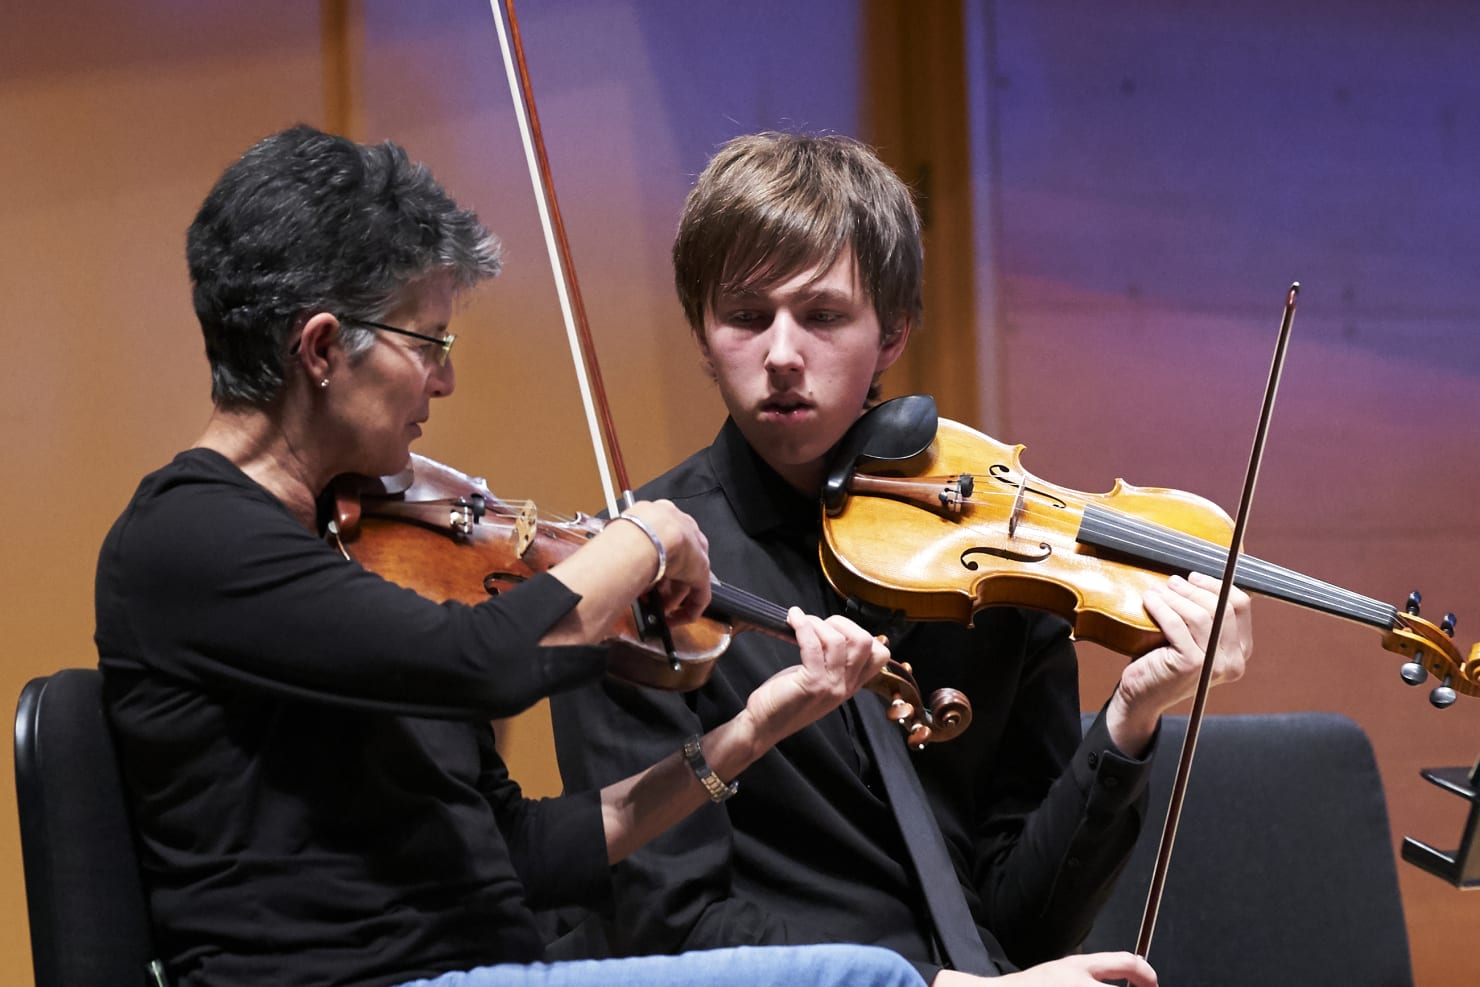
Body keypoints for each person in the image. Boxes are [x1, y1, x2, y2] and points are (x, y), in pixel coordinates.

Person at [95, 124, 933, 987]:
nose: (444, 380)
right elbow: (483, 662)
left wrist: (750, 731)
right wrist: (644, 535)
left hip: (485, 965)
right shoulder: (189, 539)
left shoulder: (349, 543)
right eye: (428, 343)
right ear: (319, 349)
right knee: (860, 981)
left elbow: (524, 850)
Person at [550, 132, 1253, 986]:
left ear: (892, 333)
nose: (779, 352)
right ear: (702, 332)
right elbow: (671, 924)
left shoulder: (988, 568)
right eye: (744, 315)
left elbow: (1020, 924)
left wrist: (1131, 717)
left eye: (822, 315)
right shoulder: (630, 572)